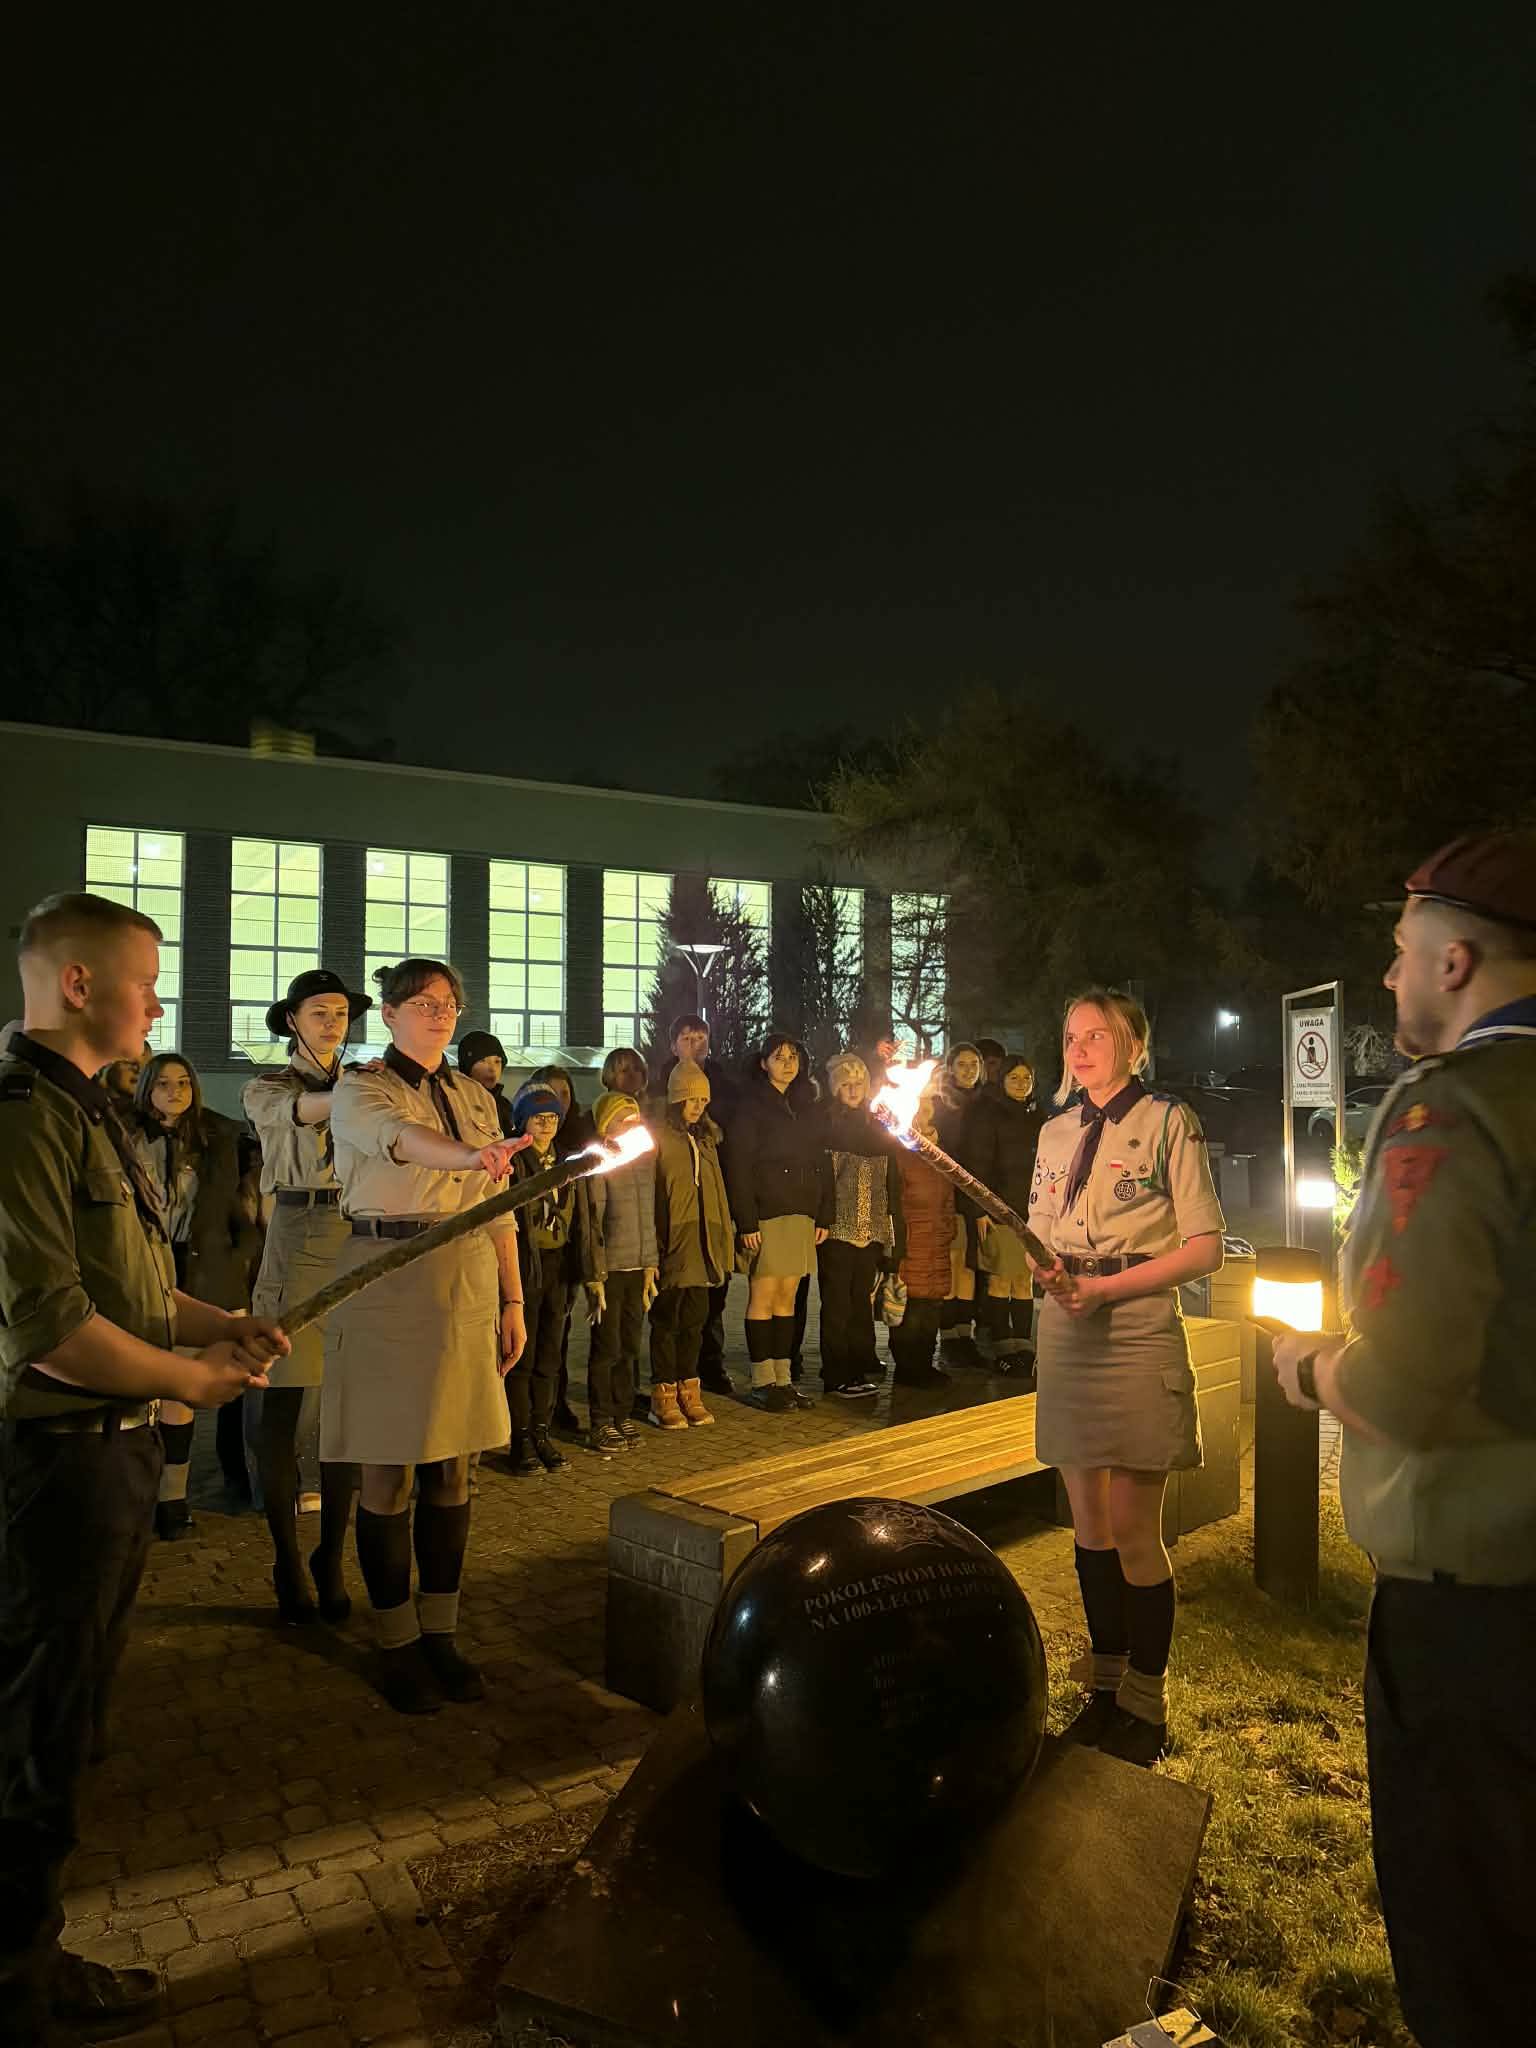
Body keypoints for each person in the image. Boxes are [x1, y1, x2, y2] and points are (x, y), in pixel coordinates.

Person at [0, 892, 286, 2046]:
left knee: (68, 1720)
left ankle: (29, 1949)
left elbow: (129, 1281)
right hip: (54, 1465)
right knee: (33, 1730)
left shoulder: (87, 1110)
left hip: (107, 1456)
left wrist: (216, 1324)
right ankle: (13, 1986)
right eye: (146, 982)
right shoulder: (23, 1116)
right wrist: (187, 1379)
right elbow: (53, 1330)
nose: (158, 1006)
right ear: (78, 983)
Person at [1269, 831, 1536, 2048]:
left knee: (1471, 1943)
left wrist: (1313, 1364)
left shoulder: (1454, 1108)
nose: (1388, 974)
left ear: (1458, 958)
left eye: (1401, 949)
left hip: (1475, 1607)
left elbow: (1409, 1380)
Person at [1028, 988, 1225, 1766]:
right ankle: (1106, 1688)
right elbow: (1039, 1232)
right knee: (1088, 1525)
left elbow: (1205, 1246)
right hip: (1068, 1332)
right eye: (1071, 1037)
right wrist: (1048, 1271)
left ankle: (1147, 1700)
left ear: (1133, 1045)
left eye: (1097, 1036)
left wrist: (1105, 1290)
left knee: (1135, 1525)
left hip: (1136, 1326)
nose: (1080, 1050)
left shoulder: (1169, 1122)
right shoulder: (1054, 1132)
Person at [325, 958, 527, 1714]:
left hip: (466, 1275)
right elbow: (402, 1140)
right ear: (388, 1014)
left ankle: (440, 1632)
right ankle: (396, 1641)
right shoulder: (362, 1088)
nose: (439, 1014)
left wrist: (513, 1298)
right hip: (389, 1273)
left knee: (454, 1465)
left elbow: (498, 1203)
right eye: (421, 1003)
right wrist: (472, 1155)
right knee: (390, 1470)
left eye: (448, 1004)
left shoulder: (475, 1095)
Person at [243, 969, 370, 1625]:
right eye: (319, 1011)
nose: (332, 1022)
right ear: (292, 1020)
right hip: (296, 1236)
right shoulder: (269, 1085)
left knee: (347, 1412)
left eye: (341, 1012)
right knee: (283, 1408)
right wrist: (366, 1092)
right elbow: (302, 1111)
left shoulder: (363, 1082)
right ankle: (287, 1557)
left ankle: (331, 1555)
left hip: (356, 1233)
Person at [130, 1050, 265, 1535]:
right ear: (146, 1088)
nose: (175, 1092)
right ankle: (149, 1496)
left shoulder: (216, 1138)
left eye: (183, 1083)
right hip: (143, 1266)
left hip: (202, 1271)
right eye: (164, 1083)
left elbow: (240, 1208)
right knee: (149, 1390)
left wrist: (238, 1257)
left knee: (193, 1389)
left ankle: (179, 1496)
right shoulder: (125, 1137)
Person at [726, 1033, 833, 1412]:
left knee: (788, 1298)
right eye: (779, 1057)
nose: (788, 1063)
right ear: (763, 1063)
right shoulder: (751, 1107)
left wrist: (824, 1213)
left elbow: (822, 1162)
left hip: (801, 1212)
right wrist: (746, 1221)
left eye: (793, 1057)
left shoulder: (808, 1106)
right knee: (764, 1295)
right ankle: (762, 1380)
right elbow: (739, 1166)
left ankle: (783, 1379)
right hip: (767, 1213)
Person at [503, 1082, 599, 1474]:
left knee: (550, 1355)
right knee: (521, 1358)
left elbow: (585, 1218)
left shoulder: (567, 1161)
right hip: (527, 1266)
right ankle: (521, 1438)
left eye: (552, 1117)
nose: (545, 1124)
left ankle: (542, 1432)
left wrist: (591, 1274)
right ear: (522, 1121)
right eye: (537, 1117)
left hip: (559, 1267)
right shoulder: (513, 1162)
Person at [651, 1015, 739, 1395]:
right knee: (668, 1317)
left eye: (703, 1100)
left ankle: (693, 1382)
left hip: (705, 1237)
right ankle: (665, 1388)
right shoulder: (660, 1134)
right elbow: (655, 1192)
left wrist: (724, 1236)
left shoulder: (708, 1136)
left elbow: (718, 1188)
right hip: (675, 1237)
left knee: (699, 1315)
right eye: (687, 1038)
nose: (698, 1106)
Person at [818, 1051, 905, 1398]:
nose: (853, 1090)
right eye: (846, 1084)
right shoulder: (827, 1126)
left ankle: (859, 1362)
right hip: (838, 1229)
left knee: (860, 1301)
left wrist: (891, 1229)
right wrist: (824, 1217)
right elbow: (824, 1180)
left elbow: (890, 1179)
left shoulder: (877, 1126)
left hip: (871, 1228)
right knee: (837, 1304)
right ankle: (837, 1373)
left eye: (858, 1083)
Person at [584, 1087, 658, 1453]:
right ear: (605, 1126)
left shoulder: (644, 1161)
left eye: (635, 1119)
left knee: (629, 1346)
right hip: (611, 1270)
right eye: (622, 1120)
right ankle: (601, 1419)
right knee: (607, 1347)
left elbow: (650, 1216)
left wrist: (651, 1263)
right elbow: (593, 1222)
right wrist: (595, 1274)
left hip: (636, 1266)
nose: (632, 1125)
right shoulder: (600, 1162)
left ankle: (622, 1413)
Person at [524, 1061, 595, 1431]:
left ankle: (552, 1408)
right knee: (528, 1346)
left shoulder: (572, 1151)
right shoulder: (521, 1157)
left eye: (565, 1094)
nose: (558, 1105)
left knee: (556, 1340)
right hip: (530, 1262)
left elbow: (581, 1213)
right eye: (551, 1095)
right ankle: (524, 1425)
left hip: (562, 1260)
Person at [973, 1053, 1043, 1370]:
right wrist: (980, 1208)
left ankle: (1024, 1347)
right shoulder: (989, 1115)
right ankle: (1003, 1347)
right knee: (1001, 1280)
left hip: (1032, 1212)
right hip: (999, 1209)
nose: (1021, 1083)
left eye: (1026, 1078)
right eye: (1014, 1077)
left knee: (1024, 1281)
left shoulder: (1038, 1116)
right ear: (1001, 1080)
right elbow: (980, 1165)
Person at [889, 1072, 958, 1389]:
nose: (923, 1111)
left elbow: (948, 1193)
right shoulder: (899, 1148)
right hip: (912, 1236)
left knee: (932, 1303)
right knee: (912, 1303)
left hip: (937, 1238)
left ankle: (924, 1363)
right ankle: (907, 1367)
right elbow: (895, 1195)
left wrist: (947, 1227)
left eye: (928, 1106)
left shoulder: (940, 1149)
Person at [932, 1042, 988, 1367]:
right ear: (950, 1068)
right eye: (962, 1064)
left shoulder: (986, 1103)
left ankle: (965, 1335)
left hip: (978, 1194)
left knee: (970, 1265)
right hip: (950, 1192)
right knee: (953, 1261)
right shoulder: (941, 1104)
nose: (968, 1070)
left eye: (974, 1064)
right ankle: (949, 1334)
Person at [458, 1029, 515, 1138]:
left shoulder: (504, 1105)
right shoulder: (457, 1102)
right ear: (467, 1066)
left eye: (497, 1061)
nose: (492, 1069)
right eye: (482, 1061)